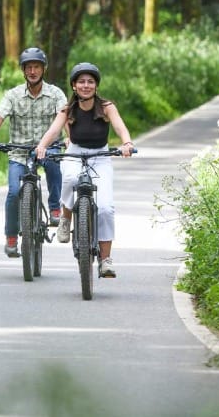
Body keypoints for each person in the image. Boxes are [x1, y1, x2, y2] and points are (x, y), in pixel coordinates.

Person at [35, 62, 135, 278]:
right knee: (70, 179)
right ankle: (66, 218)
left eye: (90, 82)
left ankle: (106, 260)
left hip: (101, 156)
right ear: (74, 86)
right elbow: (53, 131)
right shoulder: (68, 109)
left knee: (106, 208)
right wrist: (42, 146)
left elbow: (119, 126)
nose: (86, 85)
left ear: (96, 86)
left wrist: (126, 143)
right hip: (75, 153)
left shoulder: (107, 107)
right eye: (82, 82)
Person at [0, 47, 67, 258]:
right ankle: (11, 237)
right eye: (28, 67)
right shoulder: (13, 95)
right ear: (23, 71)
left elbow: (64, 119)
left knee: (55, 165)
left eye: (36, 67)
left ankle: (55, 208)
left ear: (43, 69)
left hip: (48, 149)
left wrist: (69, 138)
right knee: (12, 193)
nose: (32, 71)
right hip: (19, 151)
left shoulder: (55, 93)